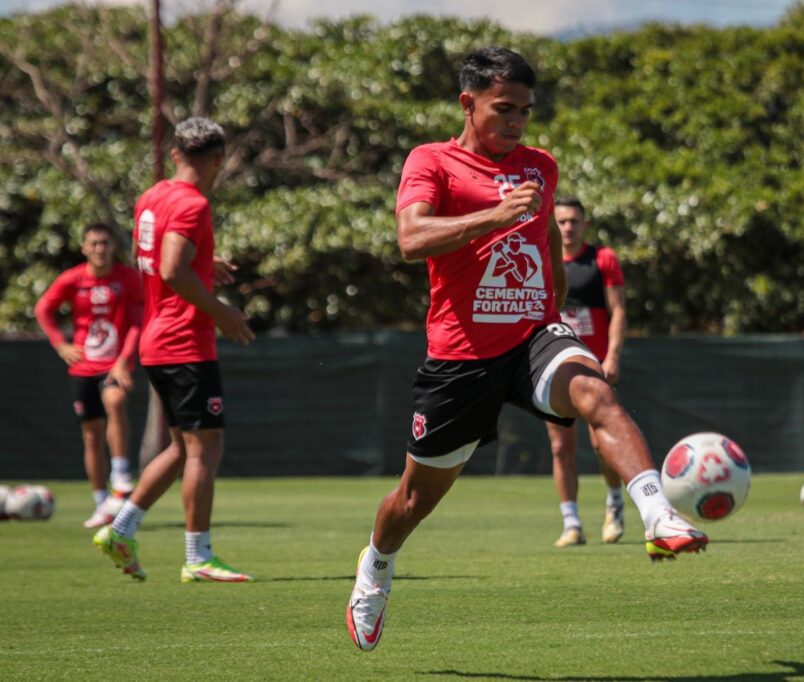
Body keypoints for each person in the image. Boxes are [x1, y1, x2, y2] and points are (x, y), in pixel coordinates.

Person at [345, 47, 707, 652]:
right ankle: (376, 567)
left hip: (535, 336)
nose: (515, 123)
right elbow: (410, 239)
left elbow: (541, 243)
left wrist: (557, 308)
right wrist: (492, 215)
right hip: (460, 359)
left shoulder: (540, 165)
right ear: (468, 103)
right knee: (411, 501)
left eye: (525, 112)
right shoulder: (430, 161)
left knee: (595, 390)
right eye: (503, 109)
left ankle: (658, 514)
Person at [92, 117, 256, 582]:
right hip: (186, 341)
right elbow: (170, 270)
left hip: (155, 340)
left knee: (183, 448)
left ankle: (120, 528)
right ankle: (198, 556)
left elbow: (162, 257)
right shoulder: (193, 203)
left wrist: (206, 263)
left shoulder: (153, 196)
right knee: (207, 447)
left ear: (176, 154)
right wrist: (222, 311)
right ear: (219, 160)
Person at [35, 222, 142, 528]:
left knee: (116, 402)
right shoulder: (73, 279)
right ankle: (100, 503)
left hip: (114, 365)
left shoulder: (127, 278)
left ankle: (121, 477)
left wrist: (124, 360)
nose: (100, 249)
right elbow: (44, 309)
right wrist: (60, 344)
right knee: (92, 435)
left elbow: (137, 322)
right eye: (93, 243)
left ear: (112, 247)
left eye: (105, 243)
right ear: (84, 247)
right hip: (83, 367)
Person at [546, 196, 627, 547]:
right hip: (555, 367)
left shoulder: (602, 259)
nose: (567, 228)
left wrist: (612, 356)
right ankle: (572, 523)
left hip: (594, 368)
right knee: (560, 447)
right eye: (561, 221)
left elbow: (619, 311)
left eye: (573, 221)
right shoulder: (543, 261)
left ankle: (614, 504)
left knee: (602, 444)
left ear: (584, 225)